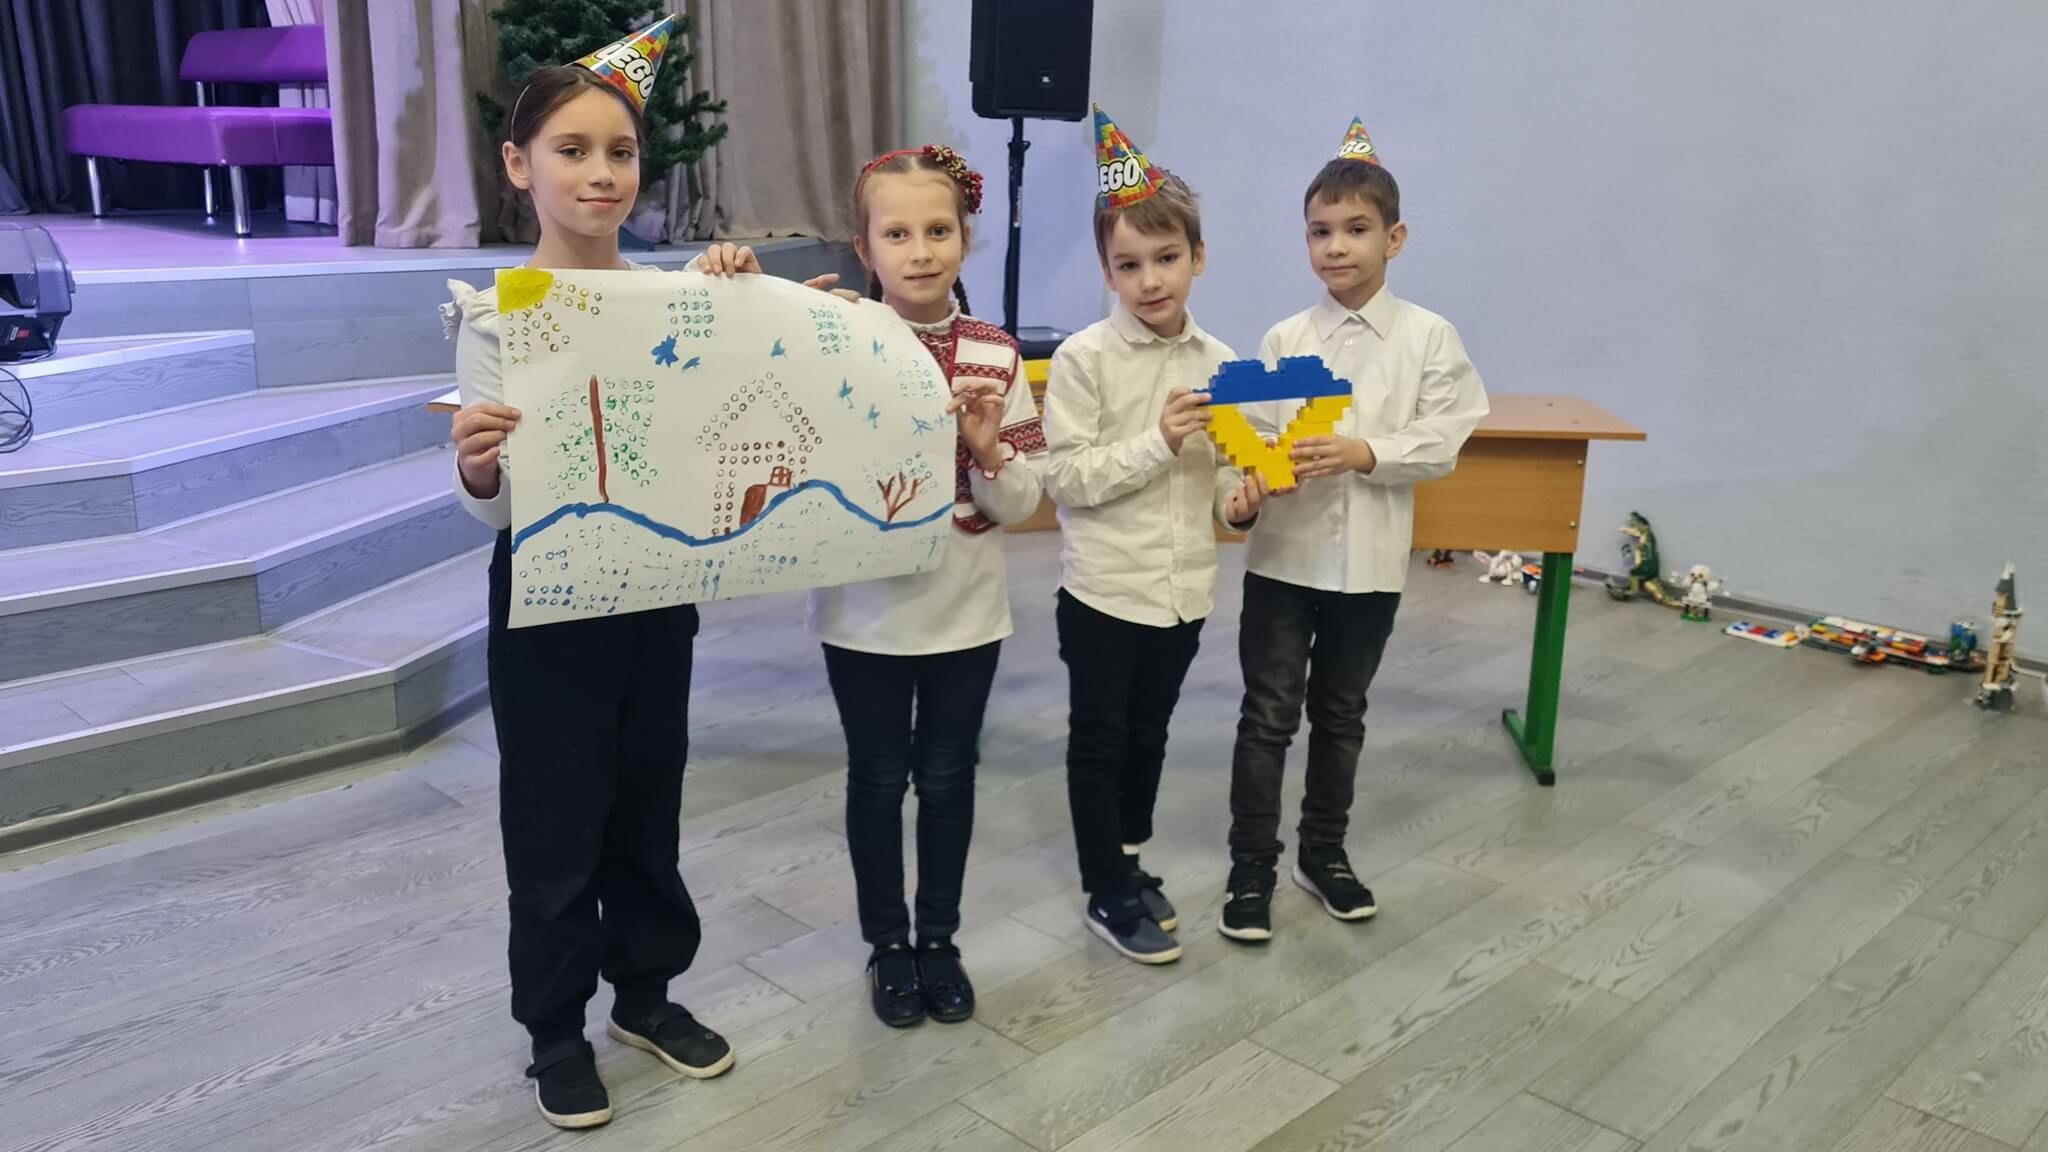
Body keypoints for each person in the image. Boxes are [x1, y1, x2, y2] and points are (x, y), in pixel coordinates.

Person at [443, 21, 739, 1130]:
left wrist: (743, 302)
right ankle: (555, 1032)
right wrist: (478, 467)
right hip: (547, 602)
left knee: (648, 803)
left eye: (619, 151)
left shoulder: (676, 300)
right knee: (555, 822)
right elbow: (495, 504)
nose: (600, 173)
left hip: (655, 593)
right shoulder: (496, 316)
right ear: (519, 165)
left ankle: (646, 995)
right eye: (571, 150)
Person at [738, 144, 1046, 1027]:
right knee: (876, 780)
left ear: (965, 239)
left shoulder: (995, 353)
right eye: (898, 234)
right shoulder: (836, 333)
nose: (920, 251)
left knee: (948, 778)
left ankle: (938, 938)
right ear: (864, 247)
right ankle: (887, 944)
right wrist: (754, 297)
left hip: (966, 611)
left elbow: (1023, 500)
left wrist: (988, 453)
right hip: (862, 614)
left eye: (938, 230)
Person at [1218, 117, 1489, 943]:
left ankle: (1323, 853)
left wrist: (1367, 450)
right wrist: (1242, 492)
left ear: (1394, 238)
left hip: (1368, 567)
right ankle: (1251, 865)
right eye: (1320, 231)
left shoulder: (1428, 337)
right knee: (1267, 716)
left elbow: (1447, 434)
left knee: (1341, 714)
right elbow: (1247, 442)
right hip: (1283, 560)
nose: (1336, 246)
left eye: (1356, 229)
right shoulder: (1285, 339)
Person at [1041, 107, 1264, 965]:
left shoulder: (1223, 361)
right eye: (1128, 265)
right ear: (1107, 271)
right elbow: (1067, 478)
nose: (1149, 280)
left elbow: (1224, 479)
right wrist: (1158, 441)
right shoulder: (1084, 360)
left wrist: (1240, 505)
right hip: (1105, 590)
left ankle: (1128, 859)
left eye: (1166, 258)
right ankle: (1105, 888)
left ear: (1198, 258)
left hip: (1182, 590)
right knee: (1099, 741)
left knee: (1150, 733)